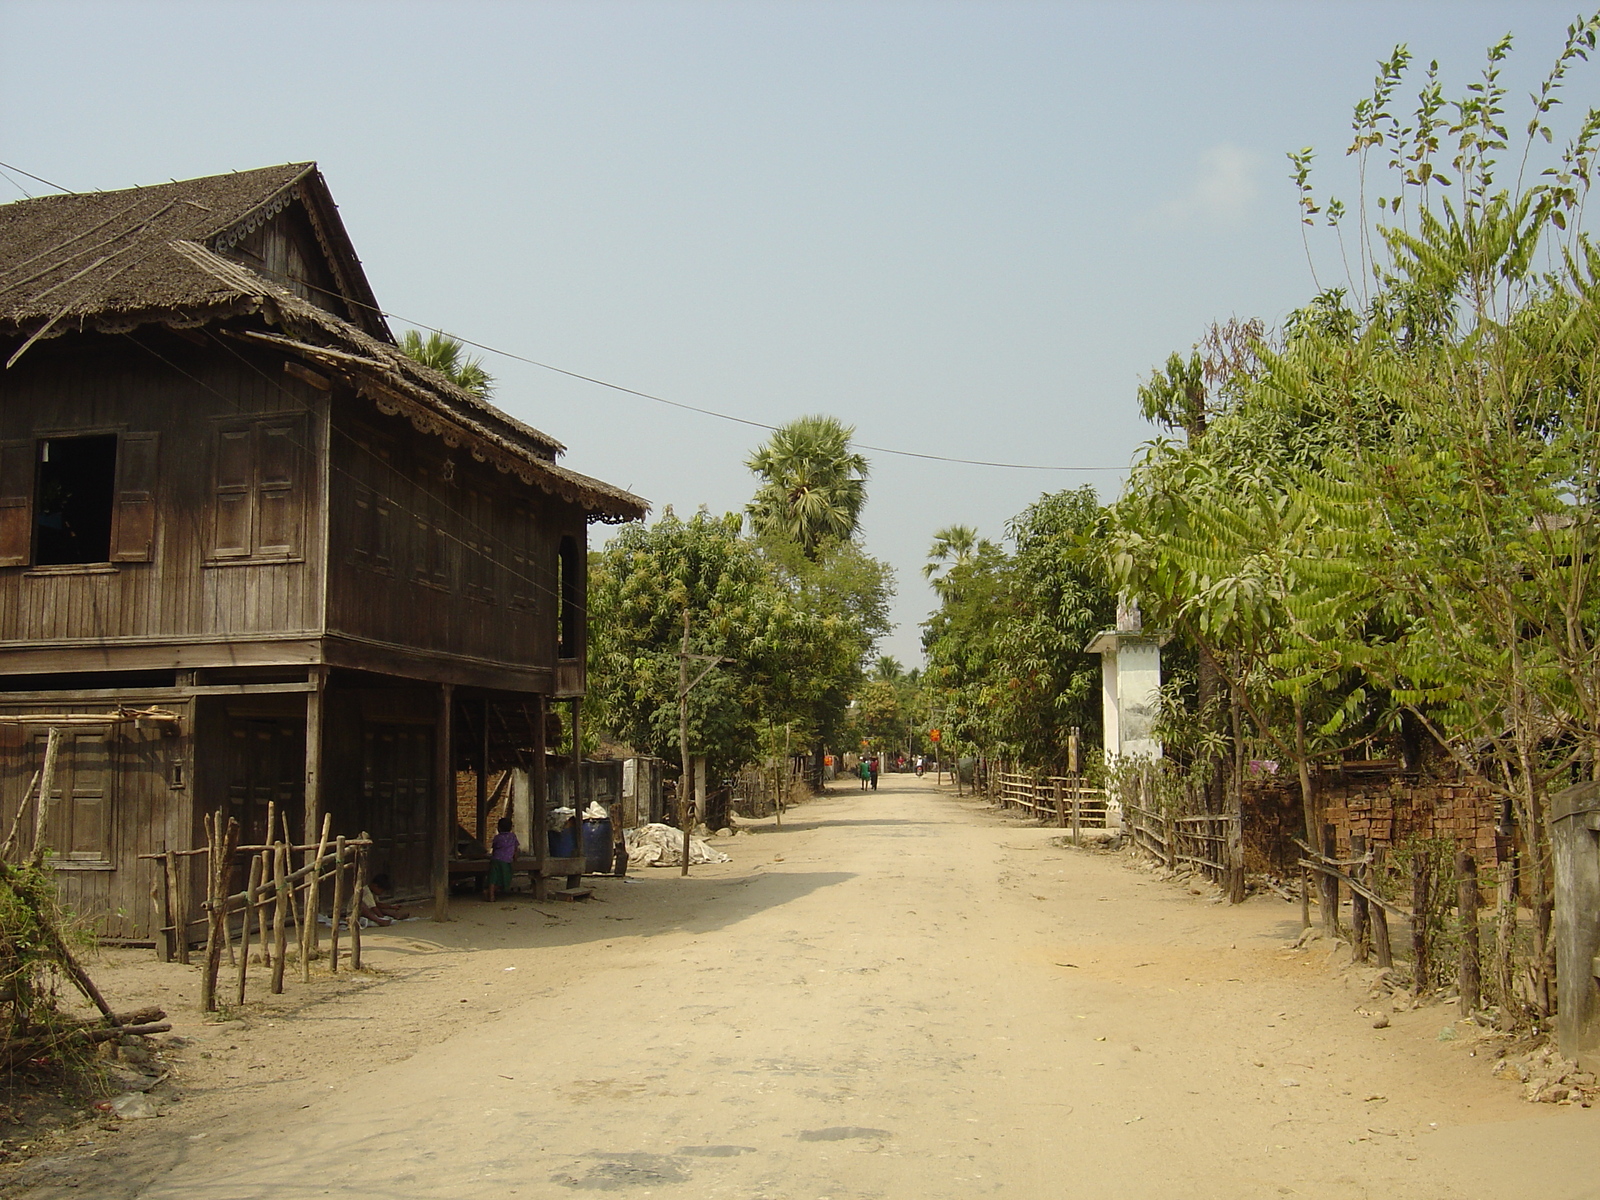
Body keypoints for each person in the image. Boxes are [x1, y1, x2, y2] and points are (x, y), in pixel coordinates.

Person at [487, 816, 519, 902]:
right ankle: (492, 891)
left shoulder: (497, 837)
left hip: (495, 860)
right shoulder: (512, 837)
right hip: (506, 861)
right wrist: (515, 858)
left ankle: (491, 895)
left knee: (493, 877)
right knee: (505, 878)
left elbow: (494, 848)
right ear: (510, 828)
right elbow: (515, 849)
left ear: (499, 828)